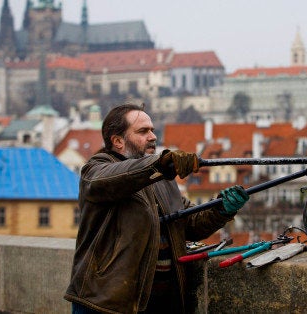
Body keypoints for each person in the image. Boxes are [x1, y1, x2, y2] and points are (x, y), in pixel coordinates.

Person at [64, 102, 249, 313]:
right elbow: (112, 178)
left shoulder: (161, 177)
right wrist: (159, 164)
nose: (152, 137)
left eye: (152, 130)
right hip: (106, 303)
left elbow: (189, 223)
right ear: (118, 141)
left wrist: (221, 209)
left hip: (158, 303)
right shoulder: (96, 169)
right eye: (143, 131)